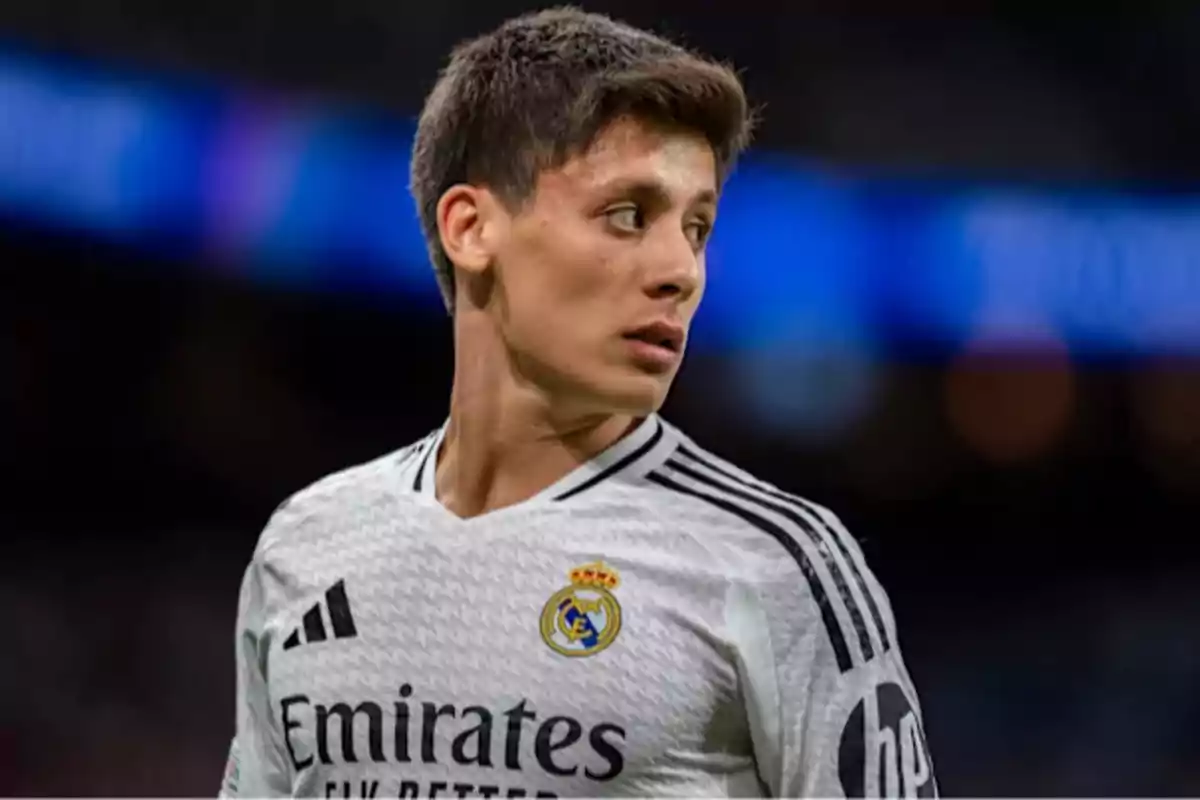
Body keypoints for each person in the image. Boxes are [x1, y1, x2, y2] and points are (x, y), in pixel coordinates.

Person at [221, 7, 936, 798]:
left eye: (697, 228)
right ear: (470, 228)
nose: (681, 271)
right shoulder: (306, 546)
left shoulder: (776, 564)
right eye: (628, 215)